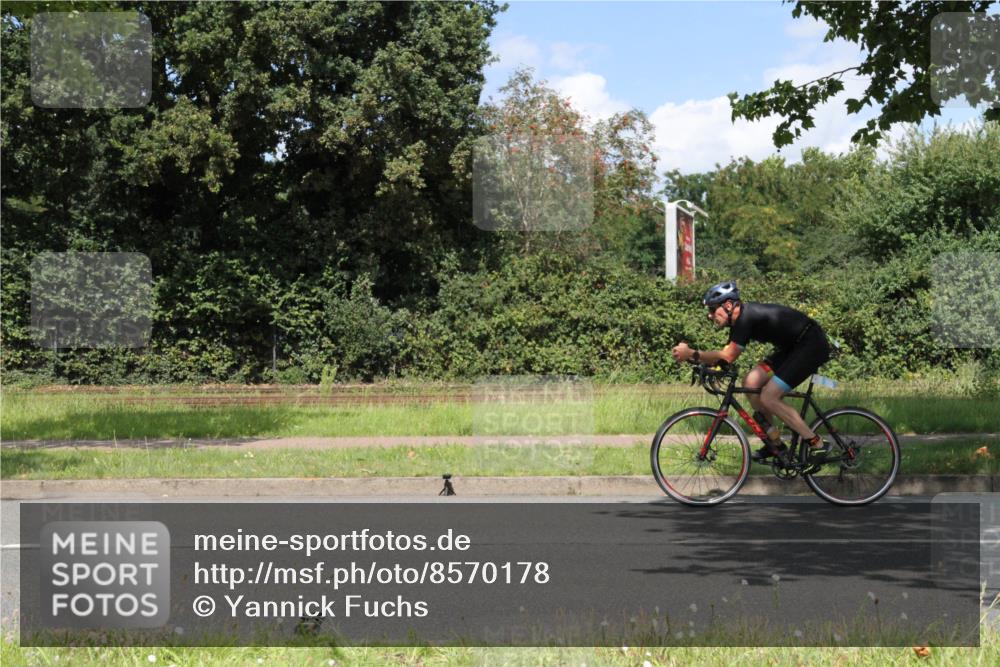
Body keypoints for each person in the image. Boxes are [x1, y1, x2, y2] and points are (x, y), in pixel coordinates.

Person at [671, 281, 832, 463]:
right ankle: (775, 444)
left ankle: (817, 443)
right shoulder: (739, 321)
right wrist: (704, 364)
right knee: (750, 382)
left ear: (729, 305)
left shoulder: (747, 318)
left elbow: (728, 356)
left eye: (713, 310)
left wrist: (692, 353)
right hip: (792, 348)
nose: (710, 316)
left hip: (810, 345)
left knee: (769, 397)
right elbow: (724, 358)